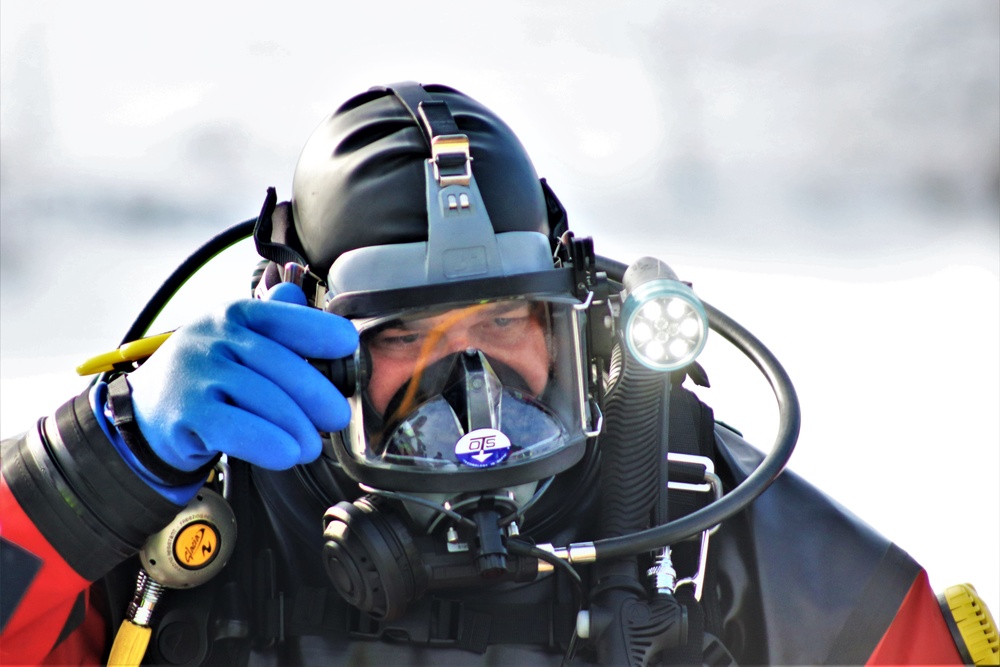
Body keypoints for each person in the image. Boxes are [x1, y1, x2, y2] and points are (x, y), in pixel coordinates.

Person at [2, 82, 994, 666]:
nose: (470, 382)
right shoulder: (202, 509)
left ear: (571, 320)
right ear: (303, 330)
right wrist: (105, 456)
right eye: (405, 332)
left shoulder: (689, 511)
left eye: (504, 315)